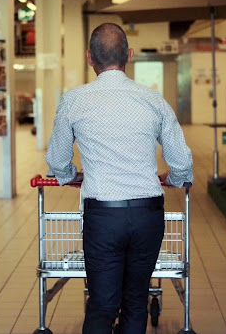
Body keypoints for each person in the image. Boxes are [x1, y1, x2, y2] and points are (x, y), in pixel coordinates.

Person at [45, 23, 194, 334]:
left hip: (103, 216)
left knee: (102, 303)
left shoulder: (74, 101)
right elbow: (182, 161)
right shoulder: (153, 100)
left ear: (89, 57)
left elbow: (57, 160)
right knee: (136, 301)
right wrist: (176, 179)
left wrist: (72, 176)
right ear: (129, 55)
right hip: (147, 215)